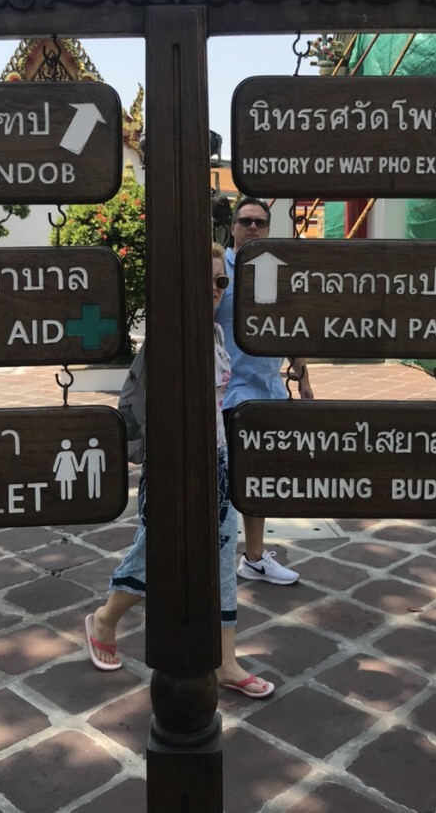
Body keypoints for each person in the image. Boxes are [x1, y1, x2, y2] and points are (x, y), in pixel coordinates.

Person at [85, 243, 274, 699]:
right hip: (174, 466)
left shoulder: (215, 334)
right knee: (158, 552)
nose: (215, 289)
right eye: (206, 280)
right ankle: (105, 619)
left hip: (217, 461)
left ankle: (225, 660)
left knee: (222, 559)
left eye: (221, 281)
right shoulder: (170, 337)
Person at [215, 197, 314, 585]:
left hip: (268, 391)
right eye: (245, 221)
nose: (253, 227)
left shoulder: (277, 271)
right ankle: (219, 559)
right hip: (227, 394)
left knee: (258, 477)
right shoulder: (219, 270)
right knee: (225, 481)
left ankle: (254, 558)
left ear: (269, 228)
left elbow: (290, 324)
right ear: (233, 228)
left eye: (260, 222)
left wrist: (302, 374)